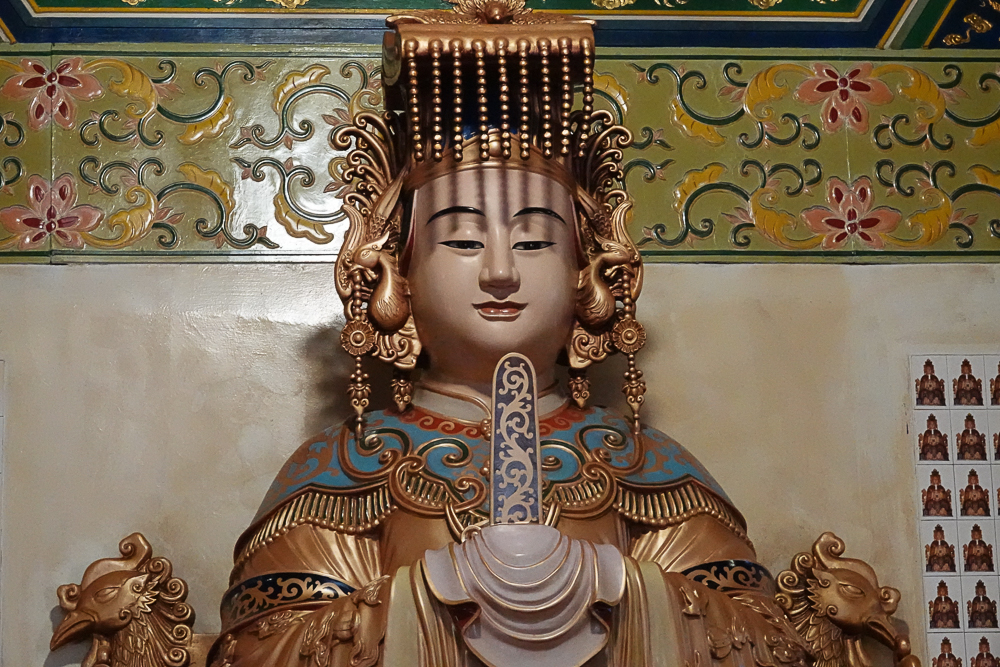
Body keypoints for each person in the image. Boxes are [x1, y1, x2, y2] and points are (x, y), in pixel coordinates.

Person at [206, 3, 807, 665]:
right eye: (464, 240)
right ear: (396, 273)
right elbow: (253, 652)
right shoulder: (345, 468)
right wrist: (431, 593)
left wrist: (618, 585)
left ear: (587, 270)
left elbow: (770, 645)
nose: (499, 272)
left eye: (533, 241)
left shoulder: (644, 466)